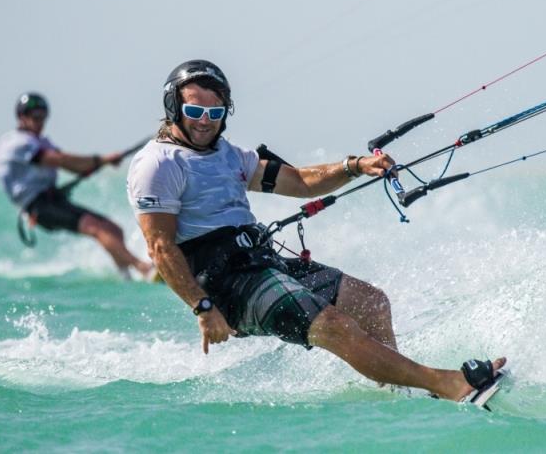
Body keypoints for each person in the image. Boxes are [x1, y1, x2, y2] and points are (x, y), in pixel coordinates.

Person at [126, 60, 506, 408]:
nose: (204, 121)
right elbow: (160, 248)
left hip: (259, 263)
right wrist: (203, 308)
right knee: (333, 326)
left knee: (371, 302)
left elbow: (302, 181)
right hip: (225, 284)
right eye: (194, 111)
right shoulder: (158, 164)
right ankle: (450, 384)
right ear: (175, 108)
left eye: (214, 112)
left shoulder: (229, 155)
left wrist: (355, 166)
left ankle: (401, 390)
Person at [0, 92, 156, 281]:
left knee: (114, 229)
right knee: (98, 229)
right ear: (21, 117)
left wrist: (102, 162)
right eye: (35, 117)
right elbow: (62, 160)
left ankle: (126, 278)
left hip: (53, 200)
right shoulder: (15, 142)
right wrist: (102, 159)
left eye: (43, 117)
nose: (40, 122)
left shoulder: (40, 141)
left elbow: (74, 164)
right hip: (38, 207)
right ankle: (145, 269)